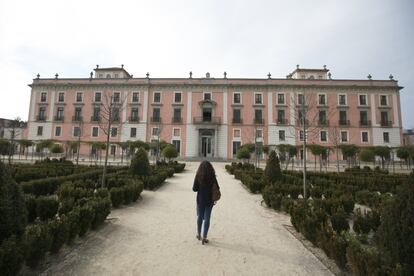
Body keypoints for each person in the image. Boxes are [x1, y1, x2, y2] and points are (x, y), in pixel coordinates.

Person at [192, 160, 219, 245]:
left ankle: (199, 235)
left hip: (200, 200)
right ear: (210, 168)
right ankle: (204, 237)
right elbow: (217, 187)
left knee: (200, 216)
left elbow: (194, 188)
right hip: (209, 200)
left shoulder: (198, 175)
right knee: (207, 218)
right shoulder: (212, 176)